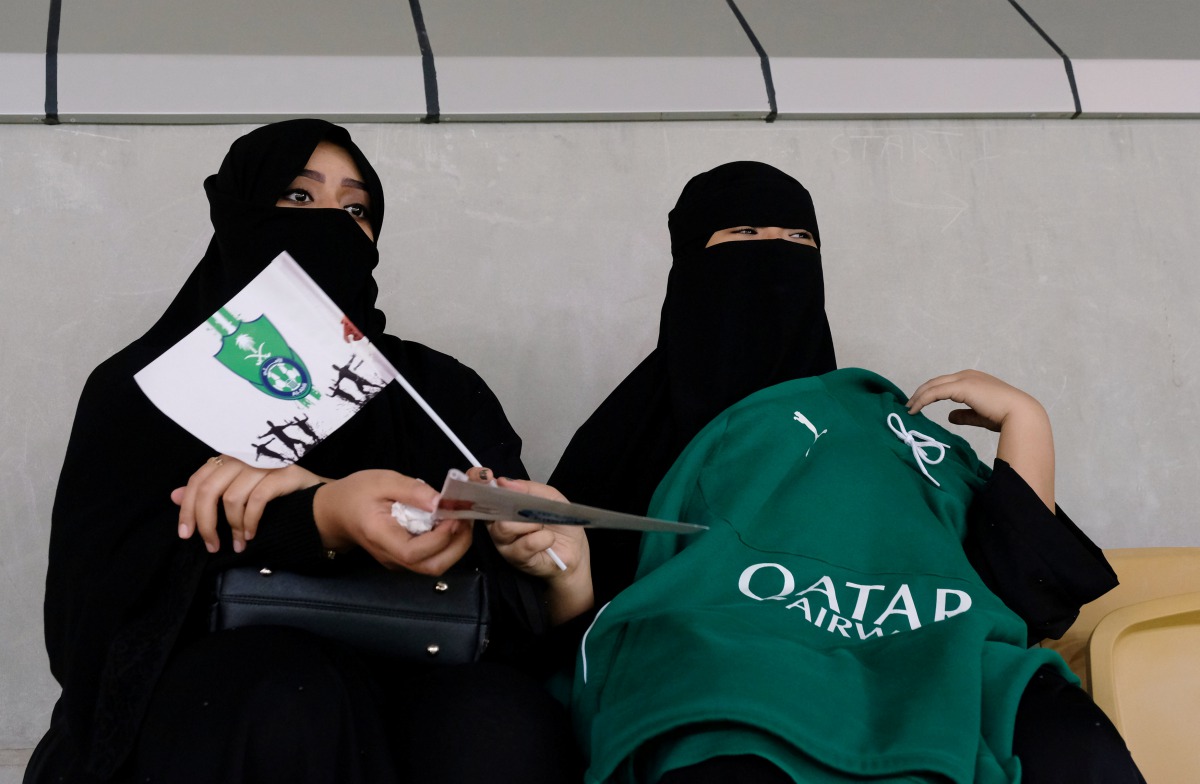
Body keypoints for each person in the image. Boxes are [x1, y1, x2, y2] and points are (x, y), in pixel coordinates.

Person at [26, 119, 587, 784]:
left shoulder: (437, 390)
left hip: (426, 672)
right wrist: (318, 518)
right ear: (238, 213)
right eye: (297, 198)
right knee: (277, 697)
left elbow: (525, 623)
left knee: (499, 722)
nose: (330, 222)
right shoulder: (148, 389)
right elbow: (93, 623)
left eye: (355, 209)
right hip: (227, 700)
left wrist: (561, 571)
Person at [551, 162, 1143, 783]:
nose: (776, 254)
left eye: (799, 239)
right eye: (746, 234)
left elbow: (1026, 596)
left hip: (925, 655)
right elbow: (576, 624)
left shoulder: (877, 424)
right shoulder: (627, 436)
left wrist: (1028, 422)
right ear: (690, 261)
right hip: (727, 674)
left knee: (1077, 746)